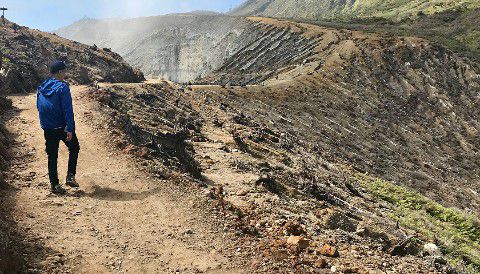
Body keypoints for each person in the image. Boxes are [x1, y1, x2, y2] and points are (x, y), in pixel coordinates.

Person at [37, 61, 80, 194]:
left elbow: (38, 106)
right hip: (61, 127)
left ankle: (54, 185)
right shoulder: (63, 87)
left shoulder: (41, 87)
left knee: (52, 156)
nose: (65, 74)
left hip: (48, 127)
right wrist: (70, 128)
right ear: (60, 72)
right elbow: (68, 109)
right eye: (64, 71)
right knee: (74, 147)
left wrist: (44, 124)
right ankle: (70, 176)